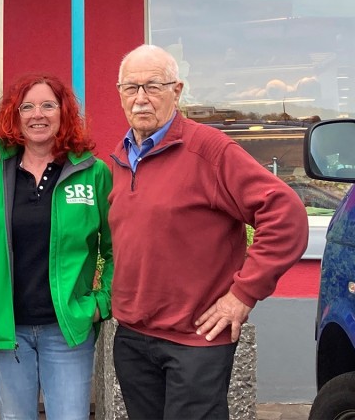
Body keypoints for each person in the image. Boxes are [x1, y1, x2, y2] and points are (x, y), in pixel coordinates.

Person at [108, 44, 308, 420]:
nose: (140, 98)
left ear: (177, 91)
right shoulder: (120, 157)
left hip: (194, 340)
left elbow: (286, 213)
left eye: (153, 86)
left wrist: (243, 294)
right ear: (119, 93)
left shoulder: (208, 150)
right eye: (130, 88)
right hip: (134, 336)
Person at [0, 73, 113, 420]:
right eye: (27, 107)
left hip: (67, 329)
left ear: (64, 114)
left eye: (47, 106)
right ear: (16, 116)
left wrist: (101, 302)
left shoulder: (93, 173)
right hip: (8, 334)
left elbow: (116, 248)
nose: (37, 114)